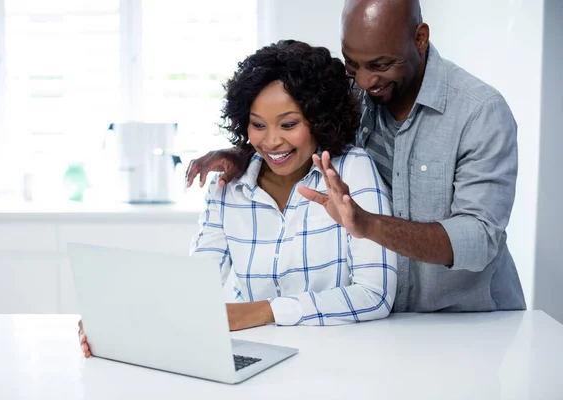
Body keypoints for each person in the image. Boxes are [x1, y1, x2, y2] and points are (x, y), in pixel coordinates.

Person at [185, 0, 526, 313]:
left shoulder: (478, 111)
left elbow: (478, 239)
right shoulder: (354, 94)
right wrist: (243, 154)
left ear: (420, 38)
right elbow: (292, 128)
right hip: (386, 325)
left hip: (470, 319)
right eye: (352, 63)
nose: (363, 81)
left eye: (380, 64)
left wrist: (368, 225)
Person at [79, 40, 397, 357]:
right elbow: (195, 285)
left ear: (319, 118)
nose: (271, 141)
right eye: (258, 125)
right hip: (252, 354)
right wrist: (121, 318)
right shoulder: (227, 183)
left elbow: (375, 295)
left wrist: (263, 312)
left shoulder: (352, 171)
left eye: (289, 124)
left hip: (337, 358)